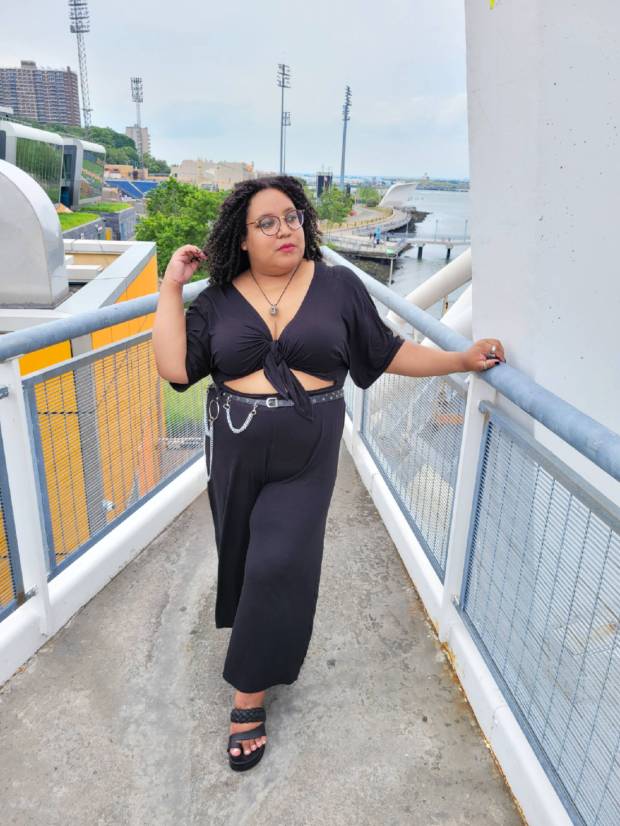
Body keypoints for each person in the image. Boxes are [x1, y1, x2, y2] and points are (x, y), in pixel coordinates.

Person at [152, 175, 506, 772]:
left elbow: (386, 352)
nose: (284, 229)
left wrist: (459, 358)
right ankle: (260, 633)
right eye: (267, 223)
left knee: (279, 560)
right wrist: (171, 286)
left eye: (292, 216)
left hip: (307, 449)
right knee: (244, 553)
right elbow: (174, 368)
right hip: (236, 446)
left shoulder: (338, 286)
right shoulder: (216, 299)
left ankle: (248, 696)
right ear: (242, 238)